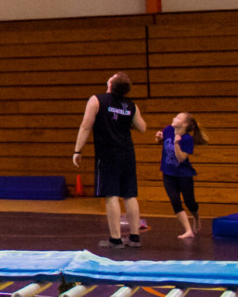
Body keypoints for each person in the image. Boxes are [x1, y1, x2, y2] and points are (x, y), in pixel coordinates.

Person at [73, 71, 147, 249]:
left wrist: (77, 150)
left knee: (111, 195)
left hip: (108, 154)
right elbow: (142, 127)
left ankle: (115, 239)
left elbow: (85, 126)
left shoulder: (97, 100)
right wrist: (124, 120)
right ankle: (135, 237)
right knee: (129, 195)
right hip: (127, 153)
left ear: (110, 84)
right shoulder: (131, 105)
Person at [155, 112, 208, 238]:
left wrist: (176, 143)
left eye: (178, 117)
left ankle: (196, 217)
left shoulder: (187, 139)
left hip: (184, 175)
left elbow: (181, 159)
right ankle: (188, 230)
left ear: (184, 124)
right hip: (168, 174)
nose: (174, 118)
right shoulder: (168, 129)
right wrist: (158, 138)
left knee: (190, 202)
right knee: (175, 201)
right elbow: (160, 141)